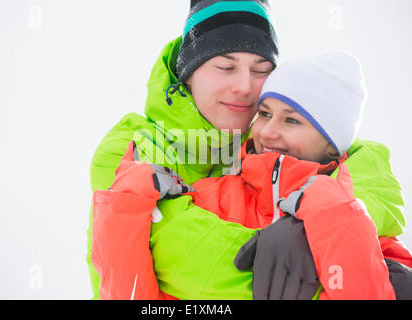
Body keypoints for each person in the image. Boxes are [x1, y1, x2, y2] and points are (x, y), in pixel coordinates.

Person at [88, 0, 407, 299]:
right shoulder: (133, 149)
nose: (244, 87)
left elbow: (370, 170)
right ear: (188, 74)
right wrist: (343, 258)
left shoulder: (263, 142)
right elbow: (191, 263)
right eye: (225, 67)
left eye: (260, 70)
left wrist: (322, 220)